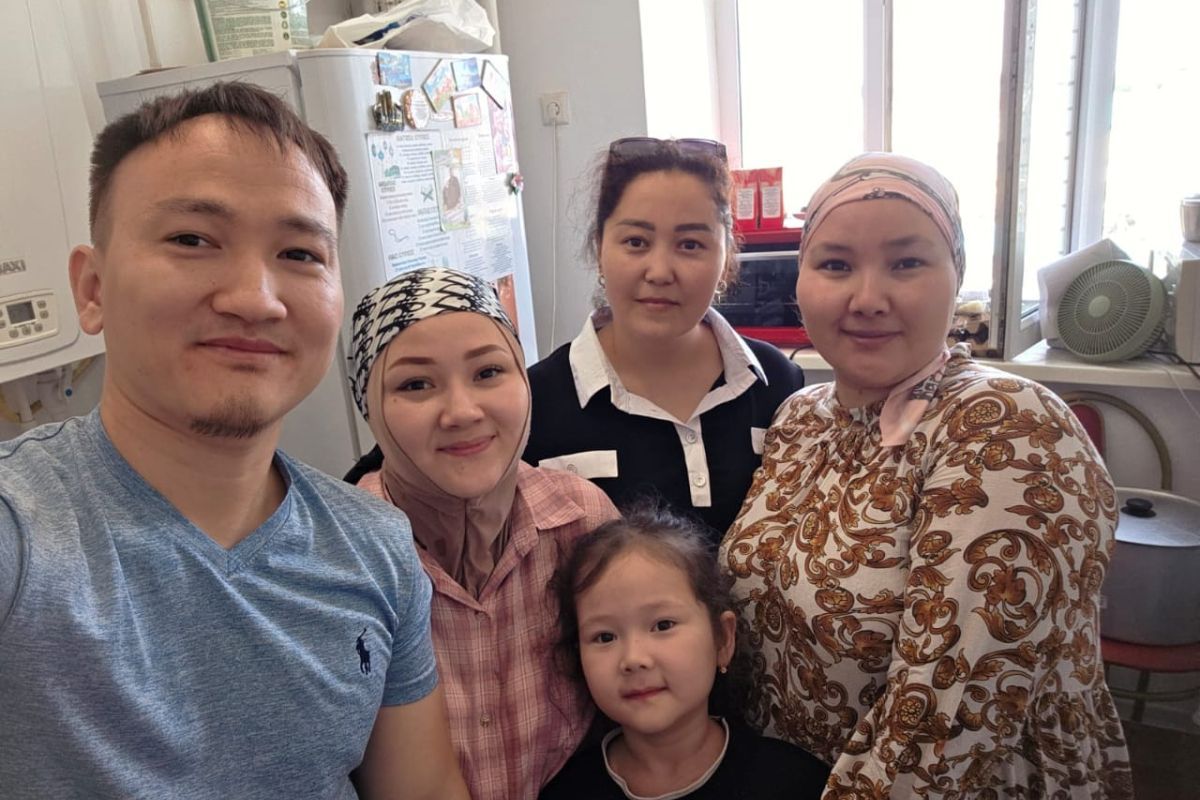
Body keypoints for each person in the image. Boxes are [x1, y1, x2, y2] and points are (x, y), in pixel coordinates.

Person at [0, 83, 468, 800]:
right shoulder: (23, 534)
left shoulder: (374, 547)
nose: (255, 297)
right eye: (192, 240)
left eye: (300, 253)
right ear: (92, 289)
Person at [721, 152, 1133, 797]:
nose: (867, 299)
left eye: (907, 262)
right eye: (835, 265)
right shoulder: (801, 417)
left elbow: (945, 732)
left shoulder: (1008, 428)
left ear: (956, 275)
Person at [346, 266, 621, 800]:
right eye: (415, 384)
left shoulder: (582, 523)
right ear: (371, 408)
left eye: (489, 372)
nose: (462, 411)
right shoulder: (341, 556)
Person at [524, 136, 806, 543]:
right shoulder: (536, 403)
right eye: (636, 242)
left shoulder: (778, 385)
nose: (659, 271)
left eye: (690, 244)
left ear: (726, 257)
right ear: (599, 248)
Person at [540, 505, 830, 799]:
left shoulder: (795, 782)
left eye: (663, 625)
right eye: (605, 637)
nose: (634, 659)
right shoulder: (566, 790)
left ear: (722, 639)